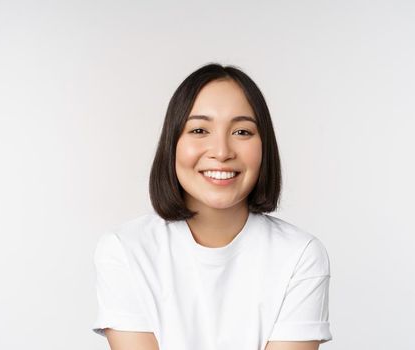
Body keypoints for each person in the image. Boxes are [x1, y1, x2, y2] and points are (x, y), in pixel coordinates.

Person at [91, 63, 333, 350]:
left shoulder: (299, 256)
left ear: (264, 147)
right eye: (199, 130)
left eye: (242, 132)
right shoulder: (125, 250)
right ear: (173, 144)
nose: (221, 152)